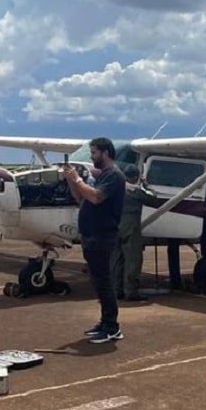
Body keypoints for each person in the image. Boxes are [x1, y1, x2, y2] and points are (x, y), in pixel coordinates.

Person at [63, 138, 126, 343]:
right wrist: (72, 181)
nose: (92, 157)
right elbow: (81, 198)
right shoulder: (103, 176)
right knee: (98, 282)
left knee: (104, 282)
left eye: (94, 153)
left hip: (102, 236)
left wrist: (78, 181)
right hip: (91, 235)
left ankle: (111, 326)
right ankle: (105, 321)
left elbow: (97, 197)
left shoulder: (114, 176)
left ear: (106, 153)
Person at [113, 164, 158, 301]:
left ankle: (116, 290)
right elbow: (153, 198)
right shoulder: (137, 192)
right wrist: (146, 184)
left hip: (115, 227)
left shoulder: (116, 190)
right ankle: (131, 291)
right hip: (131, 228)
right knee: (132, 259)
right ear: (137, 177)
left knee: (116, 260)